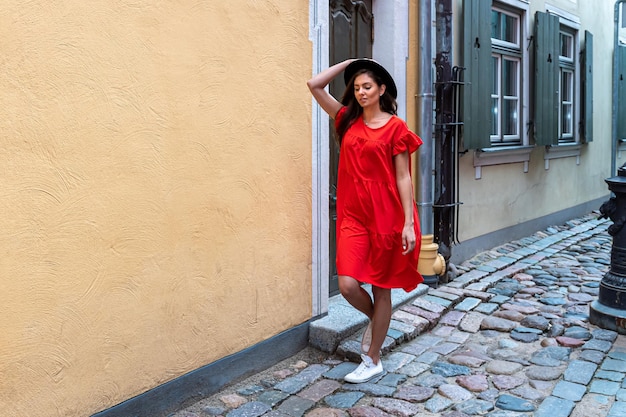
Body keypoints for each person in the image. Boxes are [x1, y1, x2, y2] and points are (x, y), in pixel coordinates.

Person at [307, 58, 424, 383]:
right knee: (347, 284)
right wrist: (353, 62)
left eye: (367, 86)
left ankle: (372, 358)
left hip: (387, 216)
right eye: (356, 87)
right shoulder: (346, 119)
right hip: (354, 217)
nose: (360, 92)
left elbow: (403, 178)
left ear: (381, 89)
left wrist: (408, 224)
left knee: (382, 289)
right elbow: (314, 85)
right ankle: (378, 321)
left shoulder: (395, 127)